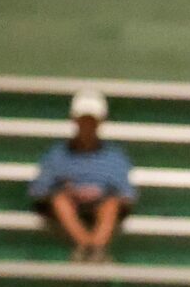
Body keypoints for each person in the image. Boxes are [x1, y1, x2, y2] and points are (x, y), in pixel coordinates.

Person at [28, 88, 135, 263]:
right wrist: (68, 191)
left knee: (111, 204)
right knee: (59, 200)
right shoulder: (57, 155)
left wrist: (99, 193)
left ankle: (94, 248)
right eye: (83, 120)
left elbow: (127, 194)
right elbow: (39, 191)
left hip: (100, 203)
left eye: (91, 121)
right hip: (69, 205)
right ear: (75, 120)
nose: (87, 126)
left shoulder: (115, 156)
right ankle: (89, 246)